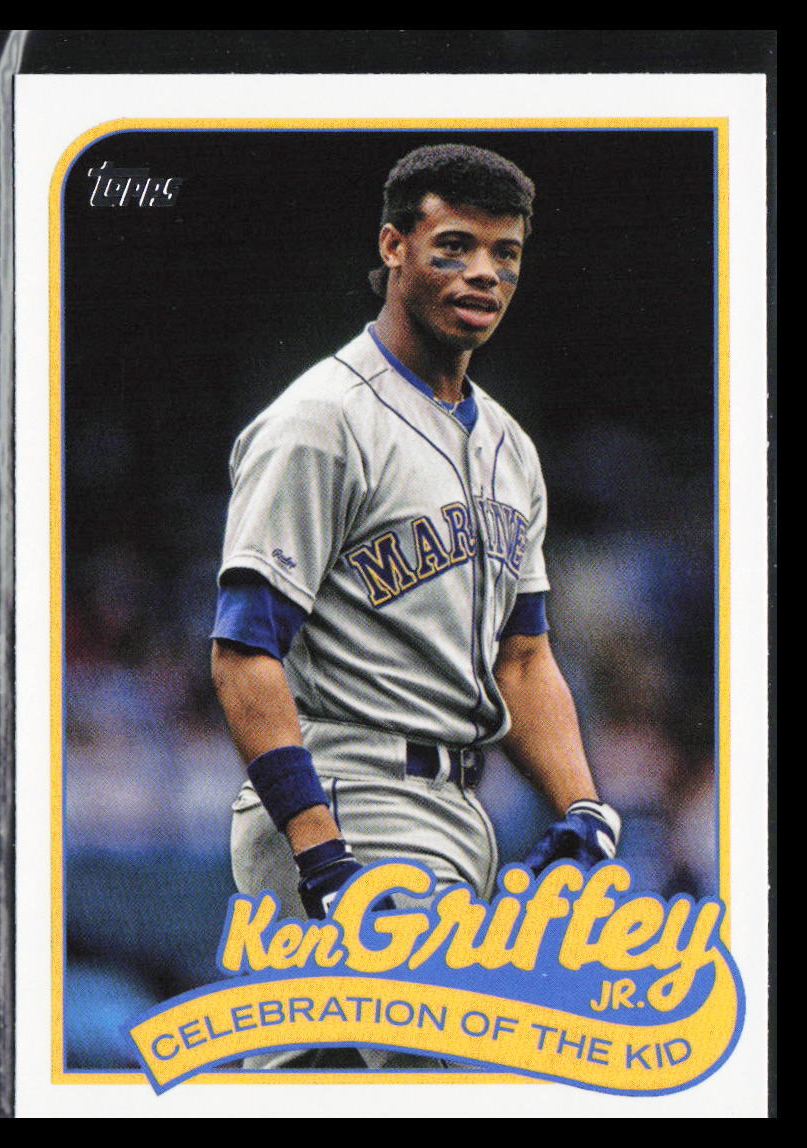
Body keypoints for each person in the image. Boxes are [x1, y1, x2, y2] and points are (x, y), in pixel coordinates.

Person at [210, 144, 621, 1070]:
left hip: (459, 817)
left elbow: (523, 658)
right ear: (393, 247)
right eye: (455, 246)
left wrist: (584, 807)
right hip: (347, 796)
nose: (484, 273)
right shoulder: (319, 420)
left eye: (505, 253)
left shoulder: (510, 446)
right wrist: (320, 850)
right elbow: (243, 653)